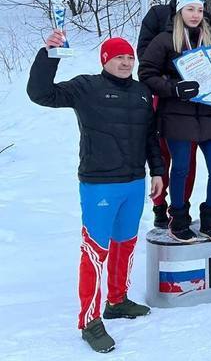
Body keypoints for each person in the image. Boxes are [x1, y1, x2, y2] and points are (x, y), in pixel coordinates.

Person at [27, 33, 164, 353]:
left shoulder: (143, 93)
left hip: (134, 183)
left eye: (130, 57)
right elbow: (41, 93)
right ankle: (89, 320)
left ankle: (116, 300)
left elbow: (150, 138)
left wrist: (157, 171)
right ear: (105, 60)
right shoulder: (86, 87)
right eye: (119, 57)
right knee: (95, 252)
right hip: (99, 185)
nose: (126, 62)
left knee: (125, 245)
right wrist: (51, 54)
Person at [138, 0, 211, 242]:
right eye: (190, 9)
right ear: (180, 11)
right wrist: (173, 88)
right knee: (181, 168)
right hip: (178, 114)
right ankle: (178, 218)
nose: (195, 15)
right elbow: (146, 73)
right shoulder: (165, 39)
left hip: (210, 114)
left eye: (199, 10)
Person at [137, 0, 205, 228]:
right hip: (165, 95)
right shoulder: (158, 14)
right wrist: (168, 80)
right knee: (162, 153)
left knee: (187, 158)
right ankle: (159, 204)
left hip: (194, 100)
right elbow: (145, 52)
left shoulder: (202, 19)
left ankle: (182, 204)